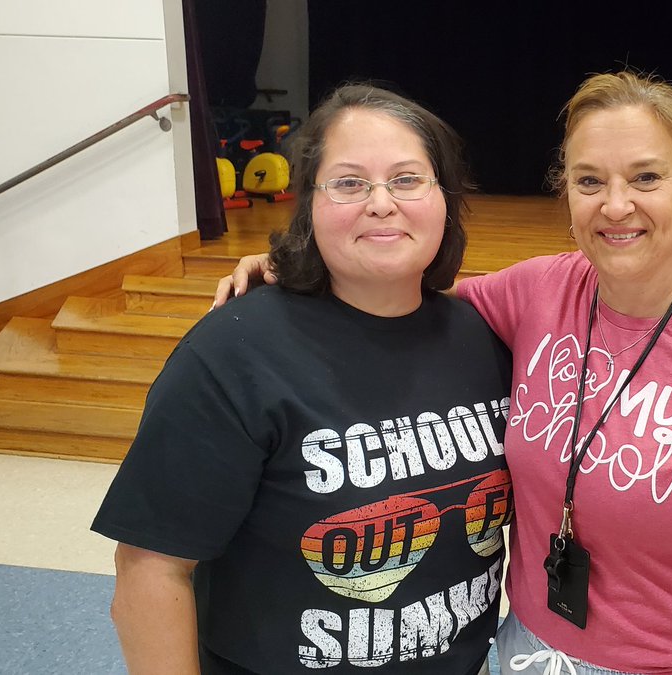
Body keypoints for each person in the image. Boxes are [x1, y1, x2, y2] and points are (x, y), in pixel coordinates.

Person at [218, 71, 672, 674]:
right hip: (524, 650)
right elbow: (399, 279)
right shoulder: (539, 291)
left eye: (646, 177)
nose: (616, 205)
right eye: (590, 181)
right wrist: (292, 265)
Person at [93, 84, 513, 674]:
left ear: (445, 196)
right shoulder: (232, 353)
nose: (381, 202)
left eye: (407, 178)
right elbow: (152, 570)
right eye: (348, 183)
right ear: (308, 204)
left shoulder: (488, 337)